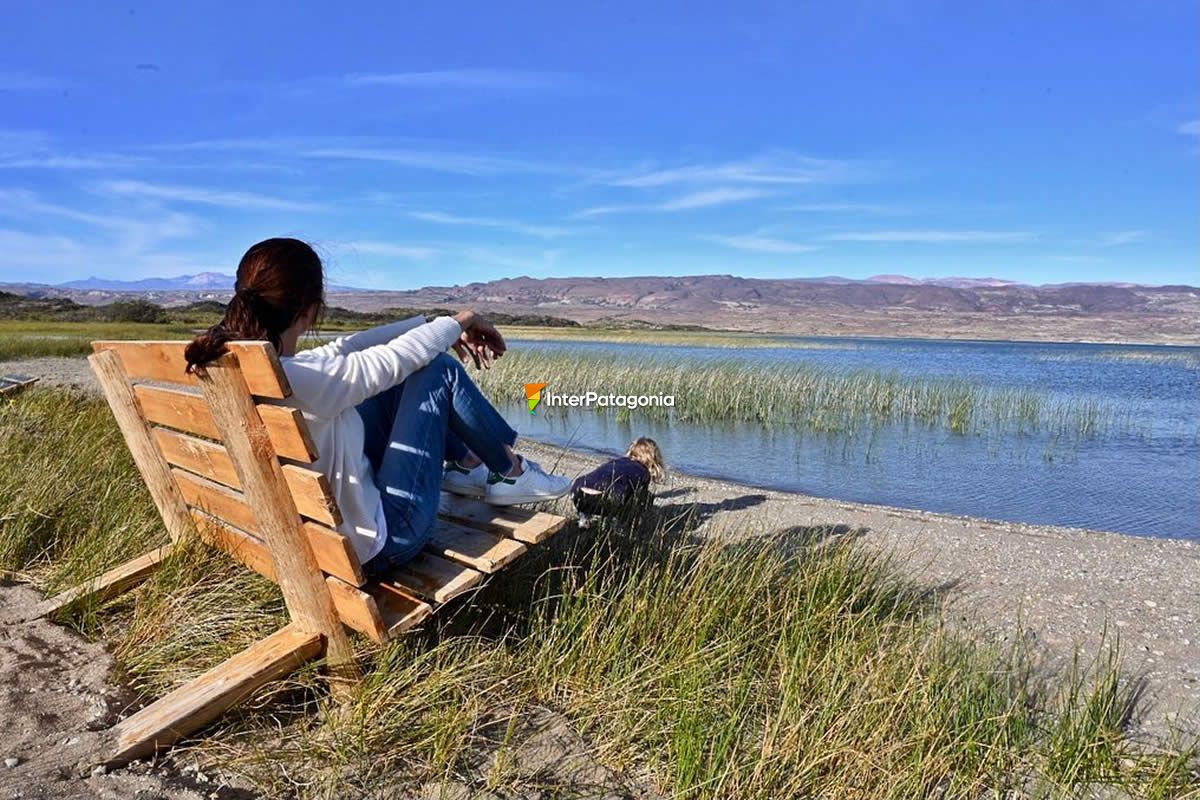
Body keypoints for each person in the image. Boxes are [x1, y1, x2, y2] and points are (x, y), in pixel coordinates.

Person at [183, 238, 570, 575]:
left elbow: (344, 349)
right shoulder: (296, 380)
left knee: (398, 378)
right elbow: (389, 361)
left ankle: (466, 466)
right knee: (438, 370)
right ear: (309, 311)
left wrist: (434, 322)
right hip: (380, 542)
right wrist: (463, 319)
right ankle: (510, 472)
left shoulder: (238, 366)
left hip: (305, 536)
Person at [570, 437, 665, 527]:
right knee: (643, 496)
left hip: (579, 489)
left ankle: (584, 518)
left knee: (601, 490)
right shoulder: (643, 472)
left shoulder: (618, 461)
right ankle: (623, 524)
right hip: (609, 493)